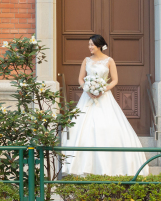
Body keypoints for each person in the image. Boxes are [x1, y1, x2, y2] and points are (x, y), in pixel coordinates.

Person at [62, 34, 150, 176]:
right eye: (89, 44)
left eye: (92, 44)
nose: (89, 47)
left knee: (109, 127)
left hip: (104, 97)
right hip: (87, 97)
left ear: (99, 45)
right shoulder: (86, 60)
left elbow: (115, 80)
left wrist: (102, 89)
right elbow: (80, 79)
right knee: (82, 128)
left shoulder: (109, 61)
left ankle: (111, 167)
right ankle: (79, 167)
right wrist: (87, 89)